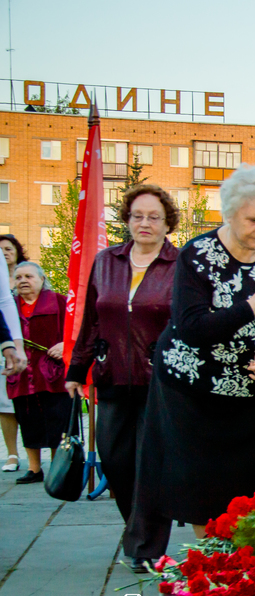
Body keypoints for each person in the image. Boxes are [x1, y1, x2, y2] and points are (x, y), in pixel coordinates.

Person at [131, 165, 255, 551]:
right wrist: (251, 308)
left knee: (245, 487)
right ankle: (211, 558)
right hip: (192, 391)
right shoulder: (198, 255)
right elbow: (191, 327)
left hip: (248, 395)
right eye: (253, 220)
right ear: (230, 213)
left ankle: (238, 557)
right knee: (201, 487)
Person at [65, 184, 179, 564]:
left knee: (150, 465)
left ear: (167, 223)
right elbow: (91, 320)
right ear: (127, 220)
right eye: (137, 216)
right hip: (111, 374)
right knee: (114, 460)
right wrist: (77, 369)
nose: (145, 223)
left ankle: (145, 546)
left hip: (160, 382)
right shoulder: (106, 261)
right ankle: (137, 527)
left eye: (154, 217)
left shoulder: (180, 265)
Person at [9, 262, 72, 484]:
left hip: (53, 372)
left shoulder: (60, 302)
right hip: (21, 374)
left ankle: (57, 467)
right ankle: (34, 469)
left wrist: (65, 345)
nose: (23, 281)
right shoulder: (9, 306)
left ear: (42, 279)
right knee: (27, 418)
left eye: (28, 276)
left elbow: (78, 328)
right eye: (18, 277)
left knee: (57, 419)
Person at [0, 234, 27, 472]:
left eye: (8, 248)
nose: (4, 252)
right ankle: (11, 453)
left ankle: (29, 455)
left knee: (14, 400)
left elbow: (4, 304)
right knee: (3, 402)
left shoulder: (27, 274)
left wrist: (13, 345)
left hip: (16, 342)